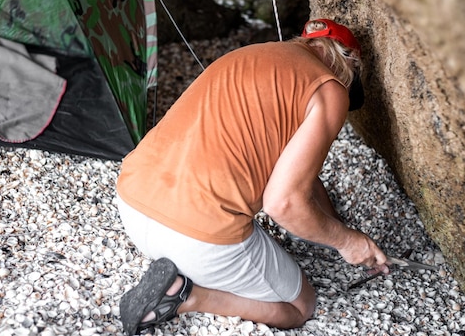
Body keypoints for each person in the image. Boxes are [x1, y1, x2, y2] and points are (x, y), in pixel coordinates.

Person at [115, 18, 389, 335]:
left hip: (133, 206)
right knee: (300, 308)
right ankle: (184, 295)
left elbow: (303, 176)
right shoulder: (330, 89)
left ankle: (178, 277)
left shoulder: (252, 56)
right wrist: (348, 242)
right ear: (349, 60)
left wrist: (333, 230)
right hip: (196, 238)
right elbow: (283, 203)